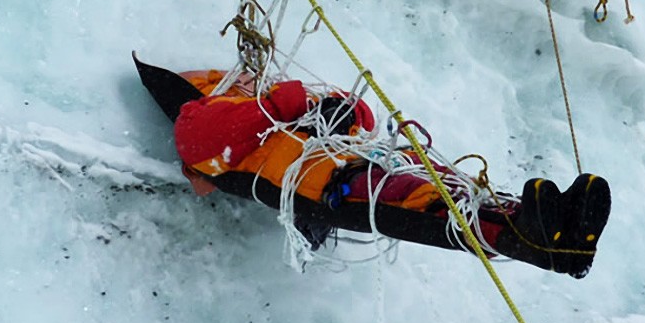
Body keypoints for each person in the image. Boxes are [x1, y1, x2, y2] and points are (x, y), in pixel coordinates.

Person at [133, 54, 612, 279]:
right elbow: (203, 133)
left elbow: (351, 113)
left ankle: (553, 229)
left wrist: (330, 109)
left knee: (445, 188)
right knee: (426, 204)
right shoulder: (203, 119)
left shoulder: (241, 107)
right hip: (325, 184)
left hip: (351, 161)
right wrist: (282, 103)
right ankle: (529, 240)